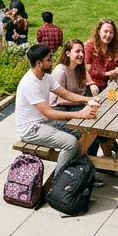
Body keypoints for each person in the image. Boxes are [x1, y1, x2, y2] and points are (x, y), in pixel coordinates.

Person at [15, 44, 100, 174]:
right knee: (71, 143)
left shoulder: (46, 77)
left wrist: (88, 99)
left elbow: (66, 94)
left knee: (86, 131)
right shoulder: (29, 83)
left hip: (44, 123)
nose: (52, 62)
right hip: (31, 129)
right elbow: (49, 113)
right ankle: (58, 181)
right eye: (49, 59)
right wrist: (80, 114)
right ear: (39, 63)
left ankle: (81, 174)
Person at [84, 18, 118, 92]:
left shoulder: (113, 47)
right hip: (91, 87)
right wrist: (108, 73)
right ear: (98, 31)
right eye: (105, 31)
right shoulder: (89, 46)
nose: (108, 35)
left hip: (108, 85)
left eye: (111, 32)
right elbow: (88, 70)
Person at [50, 40, 93, 108]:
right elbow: (60, 101)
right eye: (77, 51)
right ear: (68, 53)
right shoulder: (60, 71)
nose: (81, 54)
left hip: (77, 104)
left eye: (82, 52)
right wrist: (85, 100)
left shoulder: (79, 68)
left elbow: (87, 86)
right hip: (59, 108)